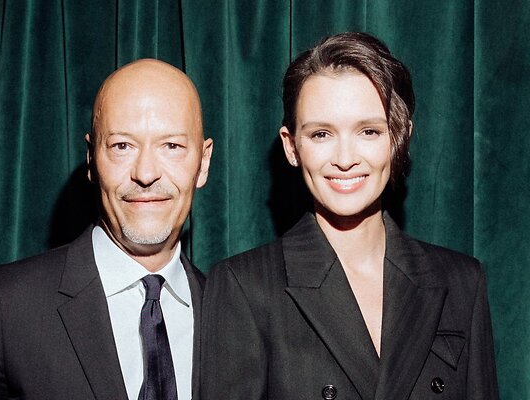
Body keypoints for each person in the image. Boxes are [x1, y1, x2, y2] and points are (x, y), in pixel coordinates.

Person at [200, 32, 498, 400]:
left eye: (368, 131)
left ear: (400, 138)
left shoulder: (462, 281)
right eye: (321, 134)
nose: (345, 159)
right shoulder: (244, 286)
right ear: (292, 147)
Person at [0, 59, 213, 400]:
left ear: (203, 162)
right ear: (92, 158)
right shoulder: (1, 306)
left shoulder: (233, 316)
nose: (146, 173)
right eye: (122, 146)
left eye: (172, 146)